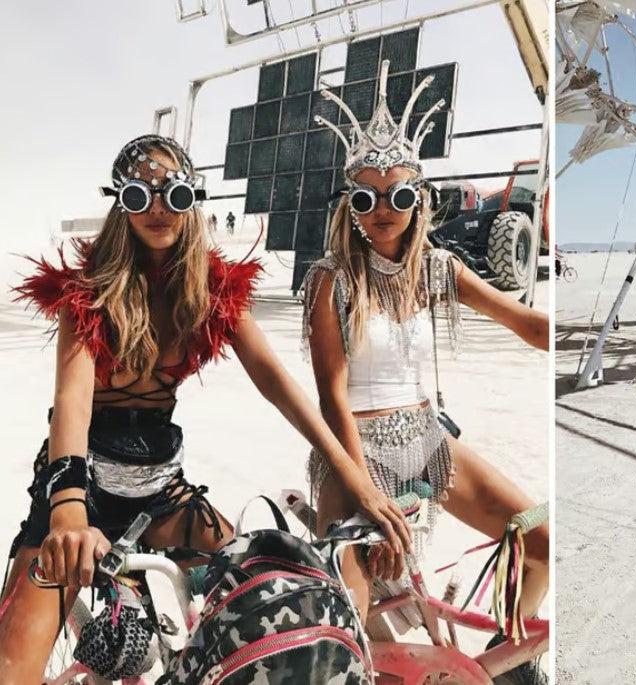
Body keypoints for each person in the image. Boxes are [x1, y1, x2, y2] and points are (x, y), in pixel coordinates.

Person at [0, 135, 411, 683]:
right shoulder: (88, 292)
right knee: (12, 671)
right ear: (120, 204)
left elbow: (277, 383)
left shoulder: (214, 289)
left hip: (163, 492)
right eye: (138, 195)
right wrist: (69, 512)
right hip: (78, 485)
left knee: (270, 598)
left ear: (192, 198)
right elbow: (71, 403)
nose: (158, 210)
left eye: (172, 194)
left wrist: (355, 479)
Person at [303, 62, 550, 684]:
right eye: (367, 196)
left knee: (538, 537)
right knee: (349, 610)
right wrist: (366, 492)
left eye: (399, 195)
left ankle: (499, 662)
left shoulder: (439, 268)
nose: (383, 209)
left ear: (420, 200)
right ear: (351, 206)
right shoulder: (330, 281)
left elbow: (522, 321)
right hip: (351, 450)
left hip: (428, 439)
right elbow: (331, 397)